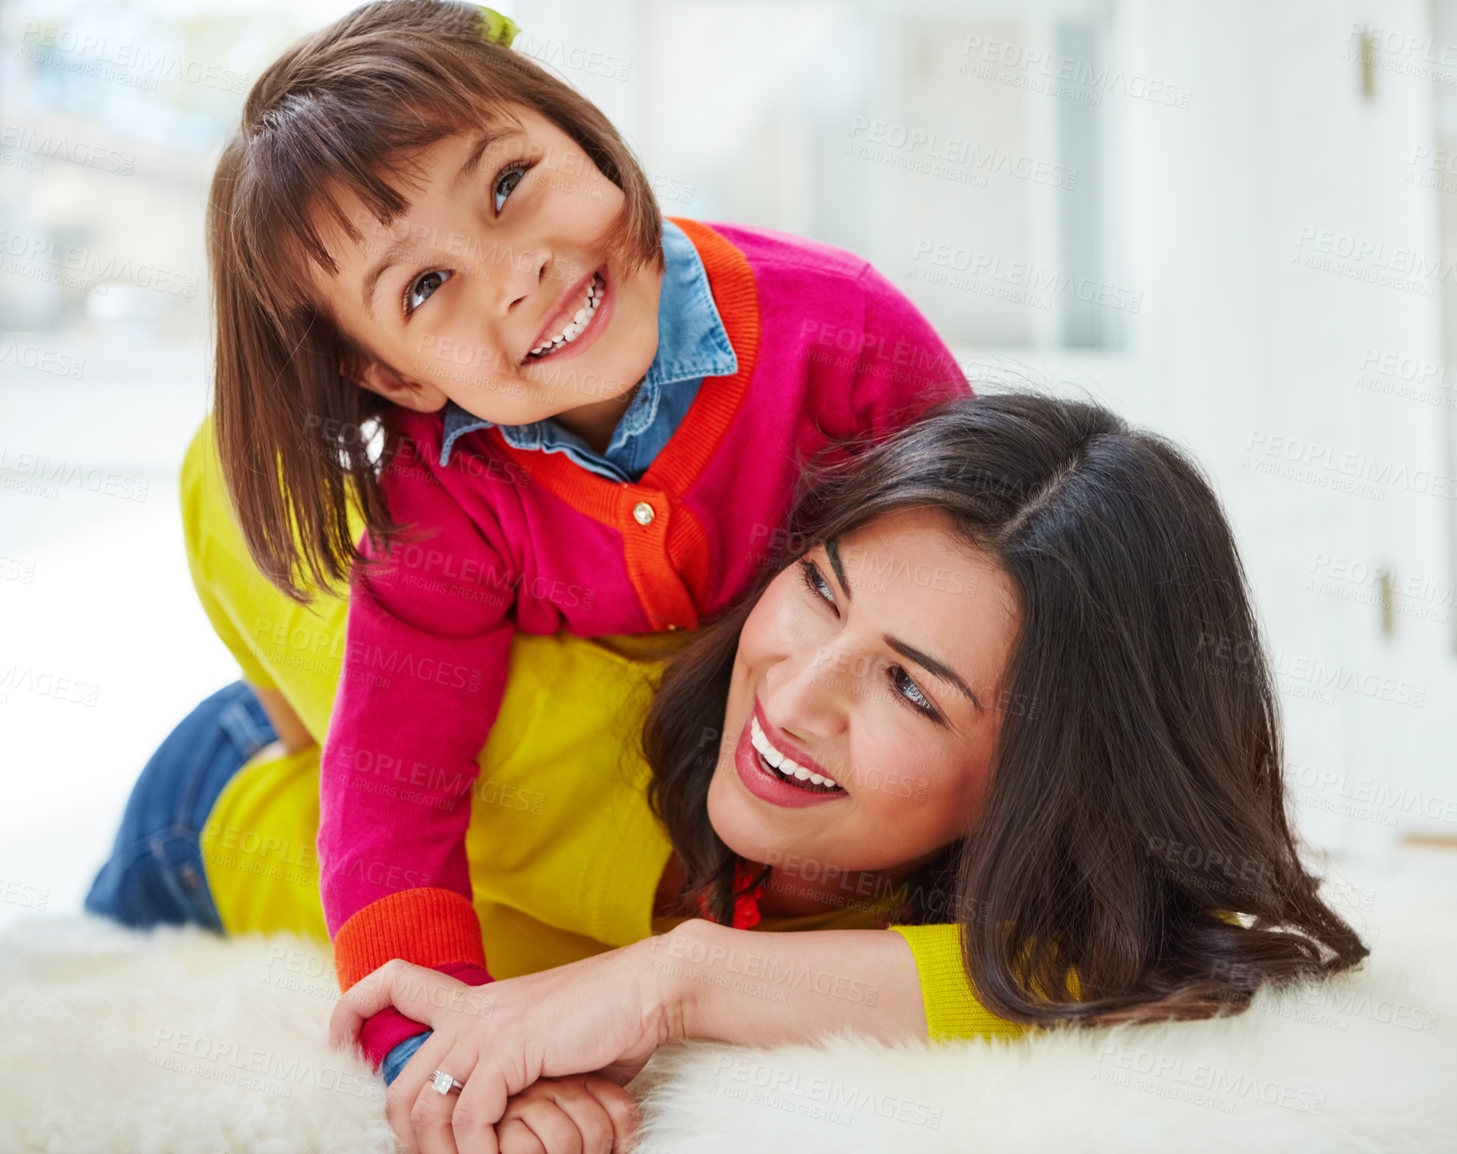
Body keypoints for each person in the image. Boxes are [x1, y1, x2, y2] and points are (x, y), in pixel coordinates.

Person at [90, 390, 1369, 1154]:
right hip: (210, 819)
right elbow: (233, 469)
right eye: (817, 590)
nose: (795, 694)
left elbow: (1137, 951)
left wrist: (673, 981)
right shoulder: (546, 717)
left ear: (1047, 771)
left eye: (911, 685)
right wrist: (308, 703)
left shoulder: (983, 907)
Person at [196, 0, 969, 1095]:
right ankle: (240, 749)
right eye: (424, 287)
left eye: (507, 185)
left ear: (585, 132)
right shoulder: (447, 486)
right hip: (239, 781)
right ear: (398, 377)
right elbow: (391, 786)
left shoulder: (847, 342)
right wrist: (443, 1053)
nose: (517, 273)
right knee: (254, 742)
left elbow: (996, 610)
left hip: (698, 824)